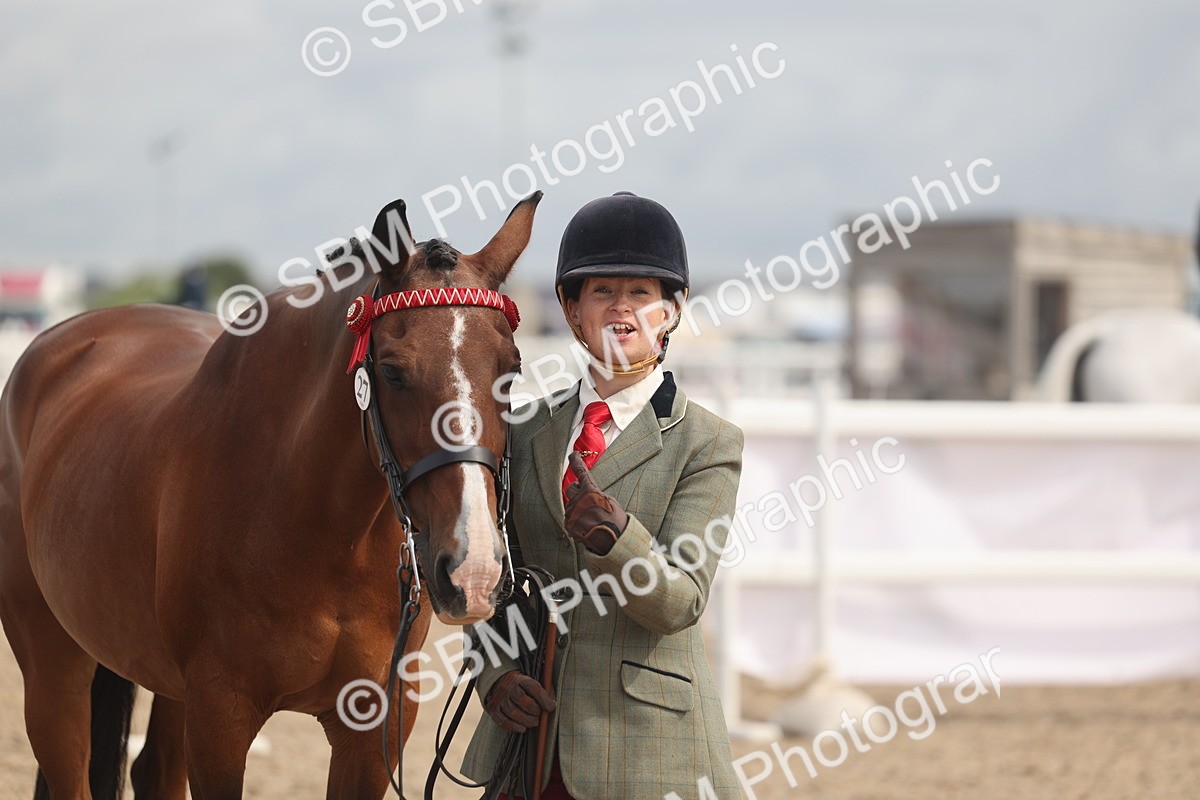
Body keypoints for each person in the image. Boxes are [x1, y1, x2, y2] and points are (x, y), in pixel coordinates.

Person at [461, 192, 745, 800]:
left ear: (672, 310)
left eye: (641, 293)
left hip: (646, 747)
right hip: (529, 747)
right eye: (601, 292)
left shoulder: (707, 444)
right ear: (571, 309)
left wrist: (620, 542)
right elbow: (495, 580)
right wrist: (495, 674)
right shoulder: (525, 432)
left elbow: (680, 604)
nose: (622, 308)